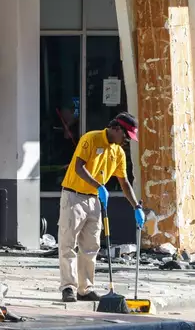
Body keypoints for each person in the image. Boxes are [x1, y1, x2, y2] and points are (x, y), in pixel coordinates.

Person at [58, 112, 145, 302]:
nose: (126, 141)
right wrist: (99, 186)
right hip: (73, 196)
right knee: (68, 244)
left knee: (91, 246)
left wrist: (135, 206)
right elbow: (79, 168)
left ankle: (85, 289)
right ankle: (68, 288)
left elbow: (124, 182)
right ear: (116, 128)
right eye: (125, 136)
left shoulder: (118, 152)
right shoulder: (91, 138)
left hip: (95, 201)